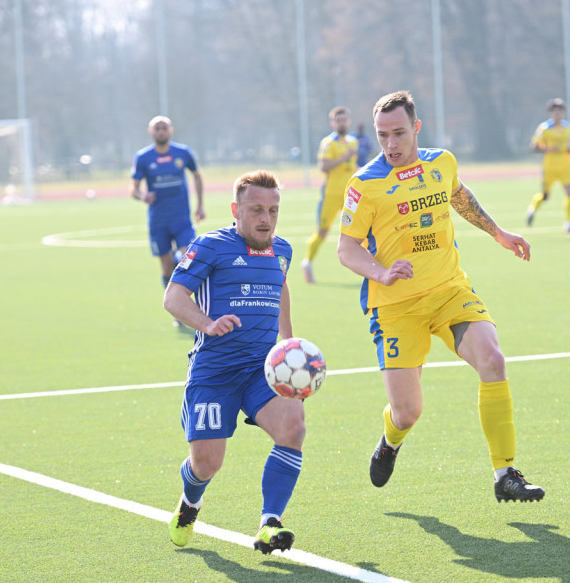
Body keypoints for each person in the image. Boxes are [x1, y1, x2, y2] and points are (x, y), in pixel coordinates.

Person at [336, 90, 545, 503]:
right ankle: (390, 441)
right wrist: (381, 272)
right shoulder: (365, 185)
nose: (391, 145)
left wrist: (499, 233)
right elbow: (347, 248)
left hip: (449, 290)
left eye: (398, 133)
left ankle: (505, 474)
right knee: (407, 412)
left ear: (416, 128)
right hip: (395, 307)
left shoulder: (441, 162)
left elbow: (460, 197)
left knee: (493, 360)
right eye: (382, 136)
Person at [163, 170, 307, 554]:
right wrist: (208, 324)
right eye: (256, 209)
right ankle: (191, 500)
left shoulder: (283, 251)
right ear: (235, 209)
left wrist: (288, 344)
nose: (266, 219)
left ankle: (269, 524)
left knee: (292, 428)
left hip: (261, 369)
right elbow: (174, 299)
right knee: (207, 463)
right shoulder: (210, 246)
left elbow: (281, 287)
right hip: (215, 373)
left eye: (273, 210)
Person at [131, 116, 206, 306]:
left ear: (170, 130)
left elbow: (197, 176)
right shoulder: (143, 157)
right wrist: (143, 196)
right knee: (166, 269)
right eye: (157, 128)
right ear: (151, 132)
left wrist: (200, 205)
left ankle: (192, 306)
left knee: (190, 260)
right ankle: (175, 307)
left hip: (181, 219)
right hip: (158, 221)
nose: (161, 131)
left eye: (164, 128)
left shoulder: (182, 152)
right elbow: (134, 190)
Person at [302, 106, 358, 284]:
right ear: (333, 123)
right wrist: (344, 157)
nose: (342, 123)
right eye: (338, 120)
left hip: (350, 194)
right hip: (331, 195)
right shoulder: (328, 143)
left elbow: (352, 166)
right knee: (322, 232)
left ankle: (369, 268)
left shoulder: (353, 141)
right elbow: (323, 167)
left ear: (349, 121)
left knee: (361, 230)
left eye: (344, 119)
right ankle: (308, 262)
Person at [526, 98, 570, 236]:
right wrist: (548, 149)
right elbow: (534, 146)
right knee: (545, 196)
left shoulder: (568, 127)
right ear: (550, 113)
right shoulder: (544, 128)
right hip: (550, 166)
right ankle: (533, 208)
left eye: (560, 111)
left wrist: (569, 150)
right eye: (555, 111)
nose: (557, 114)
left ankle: (568, 224)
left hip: (565, 165)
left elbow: (567, 143)